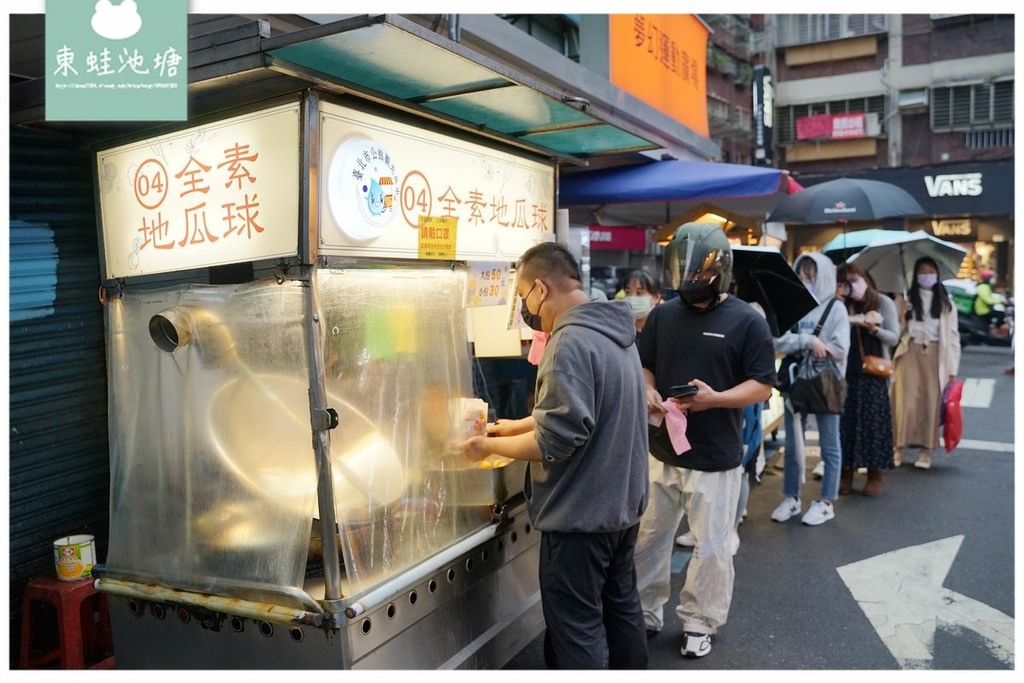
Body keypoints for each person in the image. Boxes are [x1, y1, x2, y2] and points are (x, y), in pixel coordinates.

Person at [460, 241, 649, 669]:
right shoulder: (613, 331)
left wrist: (485, 445)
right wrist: (516, 425)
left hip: (582, 517)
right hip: (621, 509)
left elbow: (555, 440)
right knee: (621, 611)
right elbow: (586, 412)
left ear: (541, 289)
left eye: (524, 295)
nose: (526, 309)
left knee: (576, 629)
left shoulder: (569, 342)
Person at [632, 223, 776, 659]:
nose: (691, 288)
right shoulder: (663, 314)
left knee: (711, 546)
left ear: (721, 274)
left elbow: (763, 385)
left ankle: (700, 619)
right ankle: (644, 610)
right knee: (648, 537)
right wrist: (649, 391)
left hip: (715, 457)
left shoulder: (748, 321)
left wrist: (716, 400)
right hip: (662, 448)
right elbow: (645, 365)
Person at [771, 251, 849, 526]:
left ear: (824, 276)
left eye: (812, 276)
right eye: (802, 276)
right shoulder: (794, 304)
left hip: (826, 382)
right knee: (793, 443)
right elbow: (778, 340)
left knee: (830, 444)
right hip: (796, 381)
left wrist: (815, 345)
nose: (807, 281)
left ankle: (826, 501)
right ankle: (791, 497)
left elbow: (840, 350)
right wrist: (808, 341)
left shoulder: (836, 308)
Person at [891, 256, 961, 470]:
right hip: (909, 352)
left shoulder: (947, 304)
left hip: (935, 354)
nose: (927, 275)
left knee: (930, 403)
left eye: (931, 271)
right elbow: (896, 331)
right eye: (922, 271)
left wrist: (951, 370)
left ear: (938, 275)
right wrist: (902, 314)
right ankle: (897, 447)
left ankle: (925, 451)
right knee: (904, 402)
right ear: (915, 275)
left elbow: (953, 337)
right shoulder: (906, 299)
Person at [836, 263, 900, 495]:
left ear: (865, 278)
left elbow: (894, 338)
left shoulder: (883, 303)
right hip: (847, 371)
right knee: (846, 424)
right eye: (845, 282)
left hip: (873, 372)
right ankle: (846, 473)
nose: (851, 286)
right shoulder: (841, 304)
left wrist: (873, 329)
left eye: (855, 279)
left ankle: (875, 474)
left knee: (874, 423)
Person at [622, 269, 663, 335]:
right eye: (627, 292)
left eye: (639, 293)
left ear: (656, 298)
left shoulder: (664, 329)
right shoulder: (619, 329)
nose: (632, 298)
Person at [973, 268, 1009, 336]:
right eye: (992, 277)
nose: (994, 279)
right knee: (1001, 314)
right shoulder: (983, 287)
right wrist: (1001, 301)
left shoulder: (986, 286)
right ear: (988, 278)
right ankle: (995, 329)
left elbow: (990, 298)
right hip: (982, 310)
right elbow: (988, 300)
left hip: (985, 309)